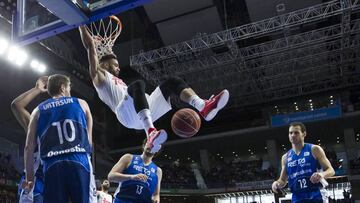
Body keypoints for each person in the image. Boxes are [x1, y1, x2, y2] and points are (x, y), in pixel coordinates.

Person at [79, 25, 229, 153]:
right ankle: (150, 132)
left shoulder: (119, 81)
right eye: (115, 65)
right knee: (137, 85)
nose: (118, 68)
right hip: (126, 115)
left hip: (144, 108)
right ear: (105, 65)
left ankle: (203, 106)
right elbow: (89, 45)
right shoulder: (99, 77)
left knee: (173, 82)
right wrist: (81, 24)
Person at [23, 74, 96, 203]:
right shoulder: (81, 103)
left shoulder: (37, 111)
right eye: (68, 88)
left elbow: (29, 147)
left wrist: (30, 178)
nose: (69, 91)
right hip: (79, 161)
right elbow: (89, 141)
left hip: (52, 165)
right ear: (63, 88)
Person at [271, 122, 335, 203]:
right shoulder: (285, 157)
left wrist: (322, 174)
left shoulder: (314, 149)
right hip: (297, 197)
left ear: (304, 134)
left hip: (316, 193)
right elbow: (283, 180)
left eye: (296, 132)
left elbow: (331, 170)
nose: (293, 135)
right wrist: (277, 183)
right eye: (290, 133)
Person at [11, 76, 48, 203]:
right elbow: (17, 105)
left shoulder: (64, 130)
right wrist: (37, 89)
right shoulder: (37, 128)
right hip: (34, 182)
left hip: (52, 182)